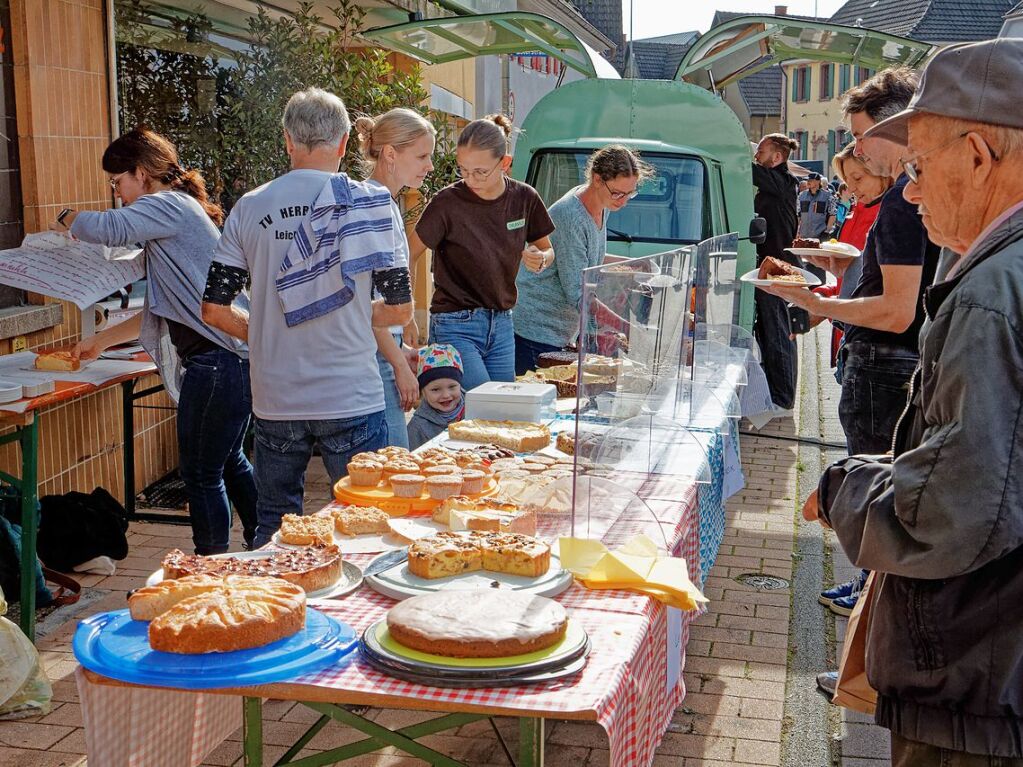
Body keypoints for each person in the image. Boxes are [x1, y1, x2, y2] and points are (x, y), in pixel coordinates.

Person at [804, 37, 1023, 765]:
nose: (910, 191)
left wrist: (842, 485)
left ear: (978, 156)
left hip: (975, 680)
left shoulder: (992, 289)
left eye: (919, 168)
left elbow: (948, 511)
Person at [765, 67, 941, 684]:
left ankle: (866, 657)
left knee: (875, 498)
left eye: (864, 138)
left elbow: (896, 309)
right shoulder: (916, 196)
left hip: (883, 366)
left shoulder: (903, 200)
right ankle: (870, 650)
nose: (857, 150)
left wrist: (819, 305)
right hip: (901, 365)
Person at [201, 88, 413, 547]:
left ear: (287, 141)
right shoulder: (372, 205)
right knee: (366, 525)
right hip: (350, 392)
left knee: (274, 526)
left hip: (277, 396)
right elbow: (399, 309)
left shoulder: (250, 206)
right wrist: (356, 315)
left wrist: (263, 334)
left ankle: (274, 613)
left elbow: (214, 309)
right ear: (342, 144)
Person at [50, 129, 256, 556]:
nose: (117, 193)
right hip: (227, 361)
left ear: (141, 173)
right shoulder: (177, 212)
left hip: (217, 362)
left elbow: (109, 228)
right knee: (227, 462)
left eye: (117, 182)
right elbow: (162, 308)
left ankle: (210, 568)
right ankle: (265, 543)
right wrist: (100, 341)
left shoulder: (167, 205)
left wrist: (65, 217)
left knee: (200, 473)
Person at [409, 114, 556, 391]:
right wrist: (406, 312)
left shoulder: (525, 198)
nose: (470, 179)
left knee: (502, 415)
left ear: (505, 163)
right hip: (454, 324)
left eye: (480, 171)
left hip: (502, 324)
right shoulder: (447, 202)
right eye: (463, 170)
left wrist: (540, 258)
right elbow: (408, 252)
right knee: (483, 407)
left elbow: (548, 251)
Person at [512, 144, 652, 374]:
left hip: (561, 330)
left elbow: (588, 256)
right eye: (618, 193)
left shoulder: (603, 204)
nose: (624, 201)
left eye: (630, 193)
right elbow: (579, 292)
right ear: (597, 179)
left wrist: (634, 264)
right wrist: (626, 327)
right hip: (536, 330)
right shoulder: (571, 217)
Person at [354, 108, 437, 449]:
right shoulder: (372, 204)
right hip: (374, 357)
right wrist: (398, 362)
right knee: (393, 463)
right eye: (422, 156)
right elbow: (364, 299)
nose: (429, 166)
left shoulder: (381, 201)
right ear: (390, 154)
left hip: (380, 351)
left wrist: (400, 349)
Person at [751, 133, 801, 411]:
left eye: (761, 151)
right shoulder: (779, 183)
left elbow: (749, 170)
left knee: (777, 332)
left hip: (777, 268)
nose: (757, 156)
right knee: (773, 331)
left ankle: (782, 398)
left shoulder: (781, 181)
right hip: (773, 266)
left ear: (777, 157)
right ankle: (776, 392)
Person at [406, 344, 465, 449]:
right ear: (423, 392)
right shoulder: (417, 427)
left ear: (460, 385)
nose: (446, 395)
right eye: (435, 390)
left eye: (452, 387)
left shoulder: (474, 409)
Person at [797, 172, 837, 242]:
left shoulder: (828, 196)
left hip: (820, 237)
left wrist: (827, 231)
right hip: (803, 236)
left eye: (811, 180)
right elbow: (798, 215)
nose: (808, 182)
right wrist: (797, 232)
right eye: (807, 180)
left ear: (818, 181)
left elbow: (832, 215)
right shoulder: (801, 195)